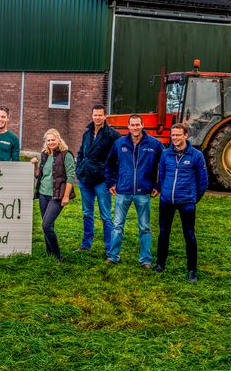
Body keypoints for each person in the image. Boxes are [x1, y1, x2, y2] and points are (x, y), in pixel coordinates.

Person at [105, 115, 163, 268]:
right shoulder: (119, 144)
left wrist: (158, 185)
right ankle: (113, 256)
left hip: (143, 191)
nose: (135, 127)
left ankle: (145, 260)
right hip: (123, 190)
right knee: (117, 225)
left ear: (142, 125)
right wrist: (111, 182)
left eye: (138, 124)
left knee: (144, 227)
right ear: (128, 126)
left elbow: (164, 165)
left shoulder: (154, 144)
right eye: (132, 125)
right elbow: (109, 164)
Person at [155, 123, 208, 282]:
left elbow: (203, 182)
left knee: (189, 235)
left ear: (185, 135)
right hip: (167, 201)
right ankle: (160, 265)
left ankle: (192, 270)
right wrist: (165, 193)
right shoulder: (165, 154)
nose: (175, 138)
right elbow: (162, 176)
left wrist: (193, 198)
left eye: (178, 135)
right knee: (163, 233)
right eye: (173, 135)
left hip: (187, 202)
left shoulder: (196, 155)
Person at [75, 104, 121, 254]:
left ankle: (109, 248)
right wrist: (79, 168)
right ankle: (86, 244)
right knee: (87, 213)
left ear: (105, 116)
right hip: (85, 179)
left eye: (100, 115)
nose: (97, 117)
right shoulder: (87, 133)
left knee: (106, 216)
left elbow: (117, 158)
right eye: (95, 115)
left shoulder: (112, 135)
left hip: (102, 180)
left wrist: (112, 178)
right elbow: (81, 152)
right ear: (92, 115)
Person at [31, 129, 76, 261]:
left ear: (58, 140)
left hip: (57, 195)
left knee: (46, 225)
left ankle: (57, 256)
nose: (51, 142)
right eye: (48, 140)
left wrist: (66, 196)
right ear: (46, 142)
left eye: (53, 139)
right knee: (49, 225)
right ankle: (49, 253)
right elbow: (39, 175)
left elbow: (71, 177)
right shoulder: (44, 155)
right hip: (43, 194)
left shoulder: (65, 155)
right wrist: (34, 165)